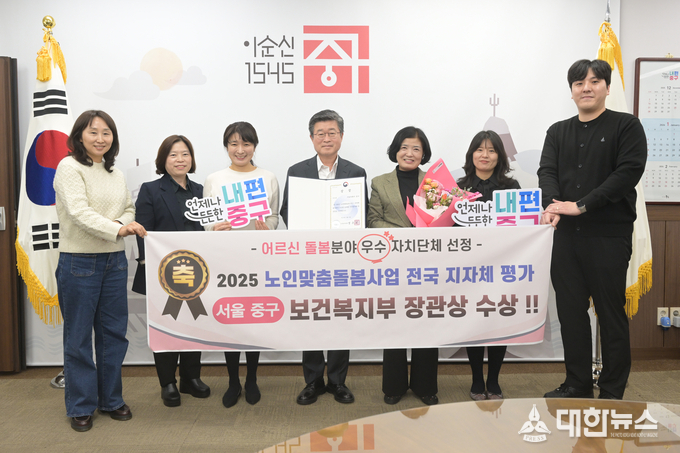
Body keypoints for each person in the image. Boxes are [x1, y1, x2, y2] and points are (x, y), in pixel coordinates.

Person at [538, 59, 647, 400]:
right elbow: (547, 172)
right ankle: (577, 383)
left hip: (608, 236)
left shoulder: (626, 126)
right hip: (566, 238)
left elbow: (627, 173)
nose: (586, 87)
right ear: (571, 91)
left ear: (607, 88)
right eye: (579, 83)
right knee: (570, 314)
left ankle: (612, 390)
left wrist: (581, 205)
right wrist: (553, 205)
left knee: (610, 315)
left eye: (595, 81)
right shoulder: (557, 131)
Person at [53, 110, 147, 432]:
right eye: (93, 132)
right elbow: (79, 212)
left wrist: (120, 224)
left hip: (114, 261)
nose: (100, 138)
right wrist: (118, 229)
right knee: (78, 338)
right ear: (80, 135)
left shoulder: (115, 173)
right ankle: (81, 405)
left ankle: (111, 399)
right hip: (79, 261)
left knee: (113, 334)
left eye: (106, 133)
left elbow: (129, 209)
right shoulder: (69, 167)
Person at [280, 109, 368, 405]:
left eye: (332, 132)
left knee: (341, 317)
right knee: (312, 317)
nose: (326, 138)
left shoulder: (356, 172)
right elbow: (287, 211)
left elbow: (362, 214)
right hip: (310, 258)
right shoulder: (297, 170)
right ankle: (313, 381)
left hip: (343, 259)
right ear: (311, 138)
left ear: (341, 136)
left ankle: (338, 381)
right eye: (320, 133)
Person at [203, 121, 279, 408]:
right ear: (226, 147)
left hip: (257, 258)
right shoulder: (214, 179)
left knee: (254, 319)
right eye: (234, 143)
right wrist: (214, 227)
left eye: (246, 143)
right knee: (230, 318)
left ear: (254, 146)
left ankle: (252, 379)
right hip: (225, 259)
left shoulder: (268, 177)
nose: (240, 149)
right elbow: (207, 221)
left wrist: (268, 227)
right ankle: (233, 381)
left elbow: (274, 216)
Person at [132, 135, 210, 407]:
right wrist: (150, 266)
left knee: (194, 323)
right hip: (163, 274)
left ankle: (191, 378)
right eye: (173, 155)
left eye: (185, 154)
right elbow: (143, 233)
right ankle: (168, 382)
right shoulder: (151, 190)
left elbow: (208, 230)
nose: (180, 160)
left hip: (197, 272)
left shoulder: (201, 191)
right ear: (163, 160)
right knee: (166, 326)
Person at [368, 126, 439, 406]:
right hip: (392, 263)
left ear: (423, 154)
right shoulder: (380, 182)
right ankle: (394, 385)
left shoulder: (435, 182)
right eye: (404, 147)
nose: (409, 153)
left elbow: (444, 220)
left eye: (416, 149)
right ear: (395, 151)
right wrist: (405, 235)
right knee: (394, 323)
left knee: (427, 322)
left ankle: (425, 386)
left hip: (427, 263)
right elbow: (373, 220)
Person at [456, 130, 520, 401]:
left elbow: (521, 228)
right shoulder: (457, 189)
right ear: (472, 154)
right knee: (474, 324)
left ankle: (493, 379)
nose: (485, 155)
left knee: (498, 323)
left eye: (491, 150)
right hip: (468, 269)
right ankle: (476, 379)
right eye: (480, 149)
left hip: (502, 268)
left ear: (499, 156)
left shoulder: (511, 188)